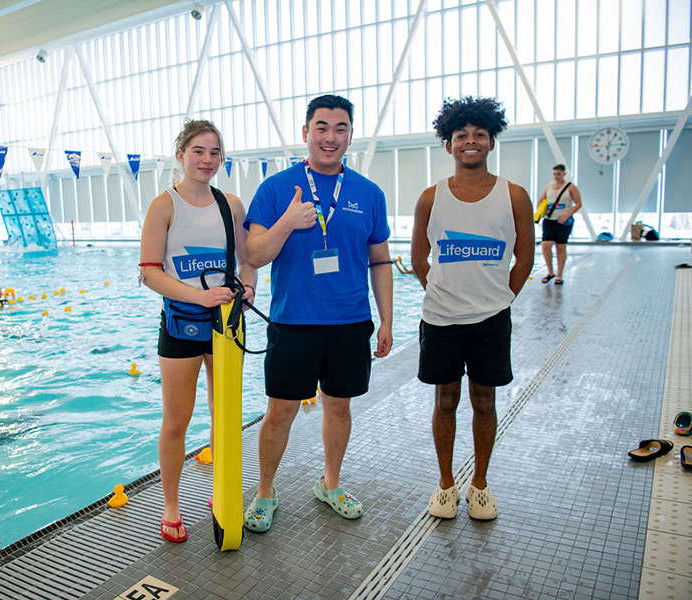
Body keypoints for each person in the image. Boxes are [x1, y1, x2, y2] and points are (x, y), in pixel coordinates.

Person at [242, 94, 393, 533]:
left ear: (350, 134)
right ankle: (265, 491)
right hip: (294, 321)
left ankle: (330, 483)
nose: (331, 136)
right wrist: (287, 222)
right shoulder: (276, 188)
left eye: (340, 127)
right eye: (321, 127)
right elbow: (253, 253)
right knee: (280, 412)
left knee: (339, 407)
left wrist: (386, 319)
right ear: (305, 133)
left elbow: (380, 260)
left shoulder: (369, 193)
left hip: (349, 322)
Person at [411, 96, 534, 521]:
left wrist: (499, 299)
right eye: (460, 135)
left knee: (485, 401)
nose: (470, 141)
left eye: (479, 134)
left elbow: (525, 259)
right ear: (448, 145)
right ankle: (446, 485)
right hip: (441, 320)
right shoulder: (431, 198)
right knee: (445, 401)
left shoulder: (513, 195)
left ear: (491, 141)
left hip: (491, 320)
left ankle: (479, 484)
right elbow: (419, 260)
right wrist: (446, 295)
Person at [139, 119, 255, 543]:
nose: (208, 160)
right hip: (182, 327)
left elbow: (249, 258)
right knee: (177, 420)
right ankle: (171, 504)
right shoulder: (164, 205)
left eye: (215, 153)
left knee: (224, 414)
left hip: (226, 325)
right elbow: (149, 273)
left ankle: (220, 489)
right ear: (181, 155)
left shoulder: (232, 205)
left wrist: (250, 286)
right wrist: (198, 296)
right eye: (199, 151)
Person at [537, 164, 582, 285]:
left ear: (564, 174)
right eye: (554, 174)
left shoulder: (570, 187)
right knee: (546, 245)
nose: (556, 176)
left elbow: (578, 203)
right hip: (549, 220)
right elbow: (541, 200)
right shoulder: (548, 187)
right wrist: (540, 212)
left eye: (559, 174)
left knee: (560, 247)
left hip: (563, 222)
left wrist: (567, 215)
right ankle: (550, 272)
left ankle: (559, 275)